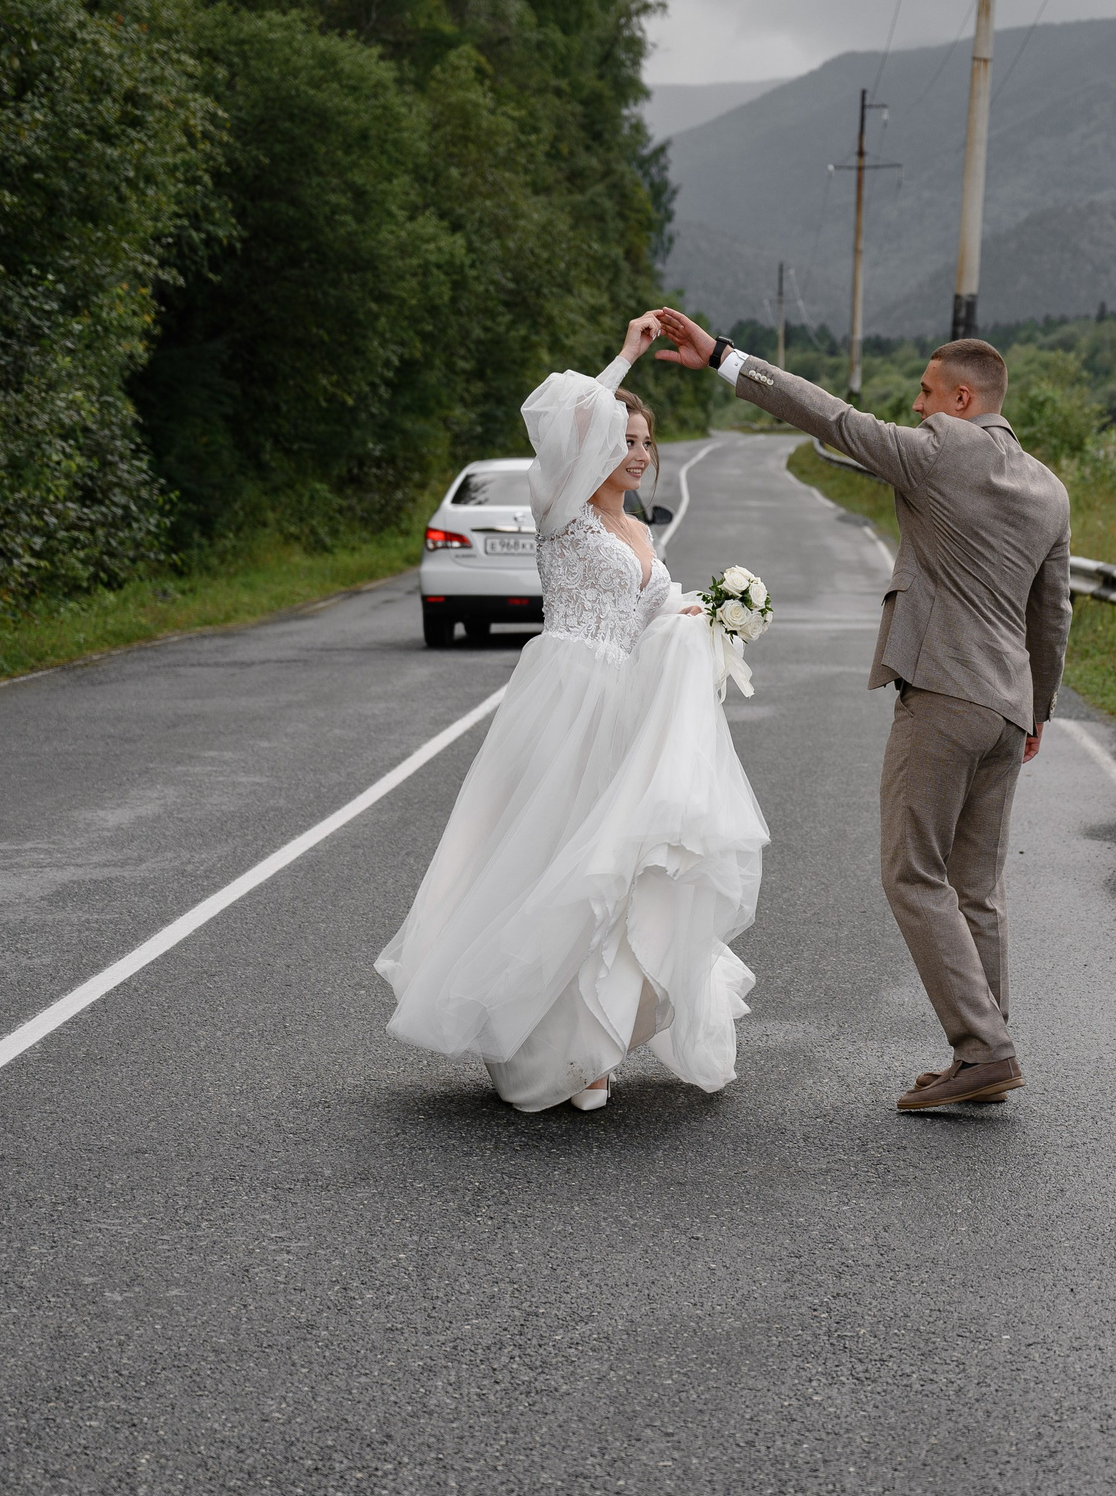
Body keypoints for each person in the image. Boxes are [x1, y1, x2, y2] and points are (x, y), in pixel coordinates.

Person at [651, 310, 1071, 1111]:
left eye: (922, 392)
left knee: (911, 873)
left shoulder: (940, 452)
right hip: (1009, 705)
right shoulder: (1048, 486)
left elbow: (832, 419)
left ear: (958, 396)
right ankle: (988, 1050)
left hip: (945, 693)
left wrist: (724, 359)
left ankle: (984, 1049)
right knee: (975, 887)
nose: (912, 407)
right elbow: (1054, 615)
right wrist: (1038, 710)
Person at [377, 314, 766, 1112]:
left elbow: (662, 613)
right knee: (544, 860)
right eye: (624, 436)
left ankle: (587, 1043)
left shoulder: (640, 532)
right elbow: (563, 416)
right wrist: (625, 355)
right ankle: (532, 1042)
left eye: (646, 441)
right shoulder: (560, 508)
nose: (635, 450)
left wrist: (717, 616)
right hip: (561, 701)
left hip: (622, 710)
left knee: (610, 872)